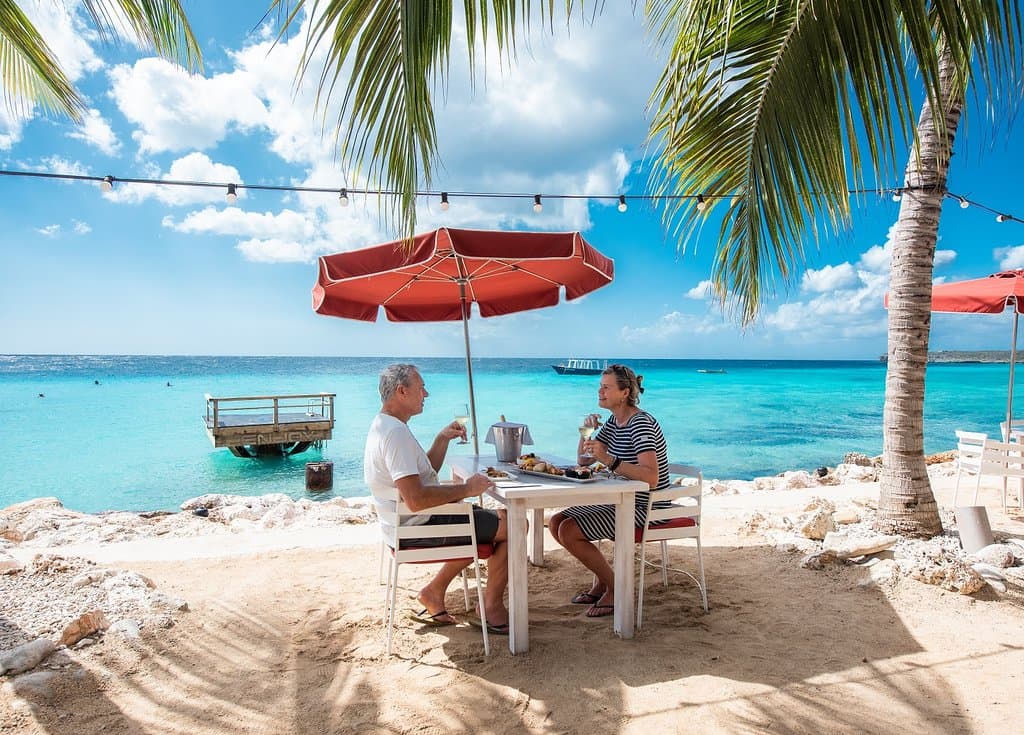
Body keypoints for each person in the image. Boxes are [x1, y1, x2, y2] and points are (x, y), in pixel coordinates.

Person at [364, 363, 510, 633]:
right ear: (401, 391)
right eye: (421, 388)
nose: (426, 394)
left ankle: (435, 591)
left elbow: (421, 477)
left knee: (493, 521)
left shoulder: (384, 425)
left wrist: (441, 439)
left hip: (405, 524)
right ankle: (490, 607)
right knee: (513, 526)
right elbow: (417, 498)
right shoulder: (395, 433)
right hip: (421, 527)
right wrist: (466, 489)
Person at [548, 363, 669, 618]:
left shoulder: (640, 424)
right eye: (600, 387)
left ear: (625, 393)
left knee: (569, 530)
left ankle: (616, 588)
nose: (600, 392)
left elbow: (652, 478)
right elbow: (584, 461)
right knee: (556, 521)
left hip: (645, 506)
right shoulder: (615, 422)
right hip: (621, 501)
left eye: (606, 387)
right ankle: (603, 582)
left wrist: (610, 460)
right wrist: (588, 432)